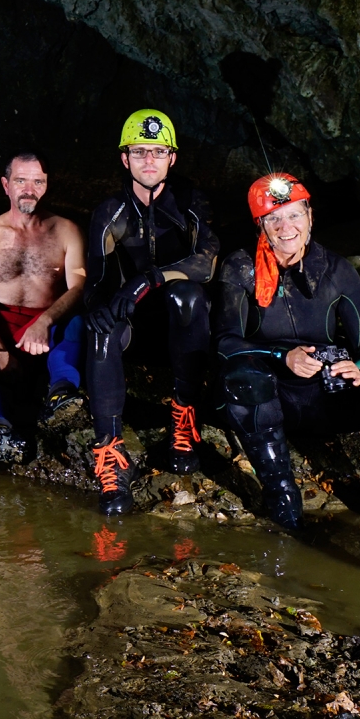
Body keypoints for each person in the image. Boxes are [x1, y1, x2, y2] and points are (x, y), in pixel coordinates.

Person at [215, 173, 360, 534]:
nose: (285, 226)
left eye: (294, 214)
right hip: (273, 397)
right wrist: (282, 357)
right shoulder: (240, 267)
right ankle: (285, 508)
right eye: (273, 218)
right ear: (260, 224)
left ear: (310, 216)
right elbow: (227, 341)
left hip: (331, 398)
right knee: (243, 377)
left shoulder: (337, 269)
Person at [84, 109, 220, 514]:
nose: (148, 161)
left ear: (171, 158)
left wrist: (151, 278)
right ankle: (110, 453)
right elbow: (97, 280)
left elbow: (208, 262)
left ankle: (184, 416)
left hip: (185, 322)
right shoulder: (110, 211)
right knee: (100, 326)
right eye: (139, 152)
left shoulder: (191, 200)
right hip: (138, 325)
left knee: (189, 296)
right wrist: (94, 307)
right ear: (124, 158)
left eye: (158, 152)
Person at [0, 152, 86, 460]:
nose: (29, 189)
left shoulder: (66, 230)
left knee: (77, 322)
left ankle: (61, 396)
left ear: (47, 185)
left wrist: (44, 321)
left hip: (50, 326)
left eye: (37, 181)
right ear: (6, 185)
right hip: (5, 326)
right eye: (21, 181)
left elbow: (79, 286)